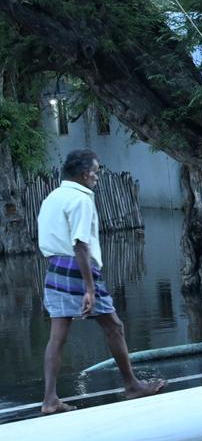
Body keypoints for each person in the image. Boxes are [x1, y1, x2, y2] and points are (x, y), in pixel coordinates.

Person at [37, 149, 166, 414]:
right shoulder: (81, 199)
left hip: (54, 269)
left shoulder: (52, 197)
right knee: (114, 326)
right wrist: (89, 288)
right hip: (78, 268)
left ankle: (50, 400)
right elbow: (80, 244)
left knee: (57, 337)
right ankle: (132, 385)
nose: (97, 177)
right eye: (96, 172)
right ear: (85, 174)